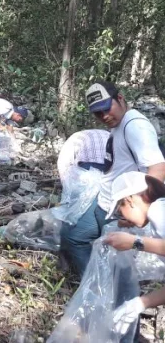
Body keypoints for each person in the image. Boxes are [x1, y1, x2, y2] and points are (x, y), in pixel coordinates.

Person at [60, 81, 165, 277]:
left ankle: (108, 296)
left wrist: (141, 209)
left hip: (120, 207)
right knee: (73, 237)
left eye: (107, 109)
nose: (104, 116)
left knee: (117, 259)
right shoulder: (120, 124)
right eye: (98, 113)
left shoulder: (136, 126)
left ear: (120, 98)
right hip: (105, 200)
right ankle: (92, 285)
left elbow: (158, 167)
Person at [103, 172, 165, 334]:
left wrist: (135, 242)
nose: (123, 218)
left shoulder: (159, 210)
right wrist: (141, 303)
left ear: (129, 200)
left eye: (119, 210)